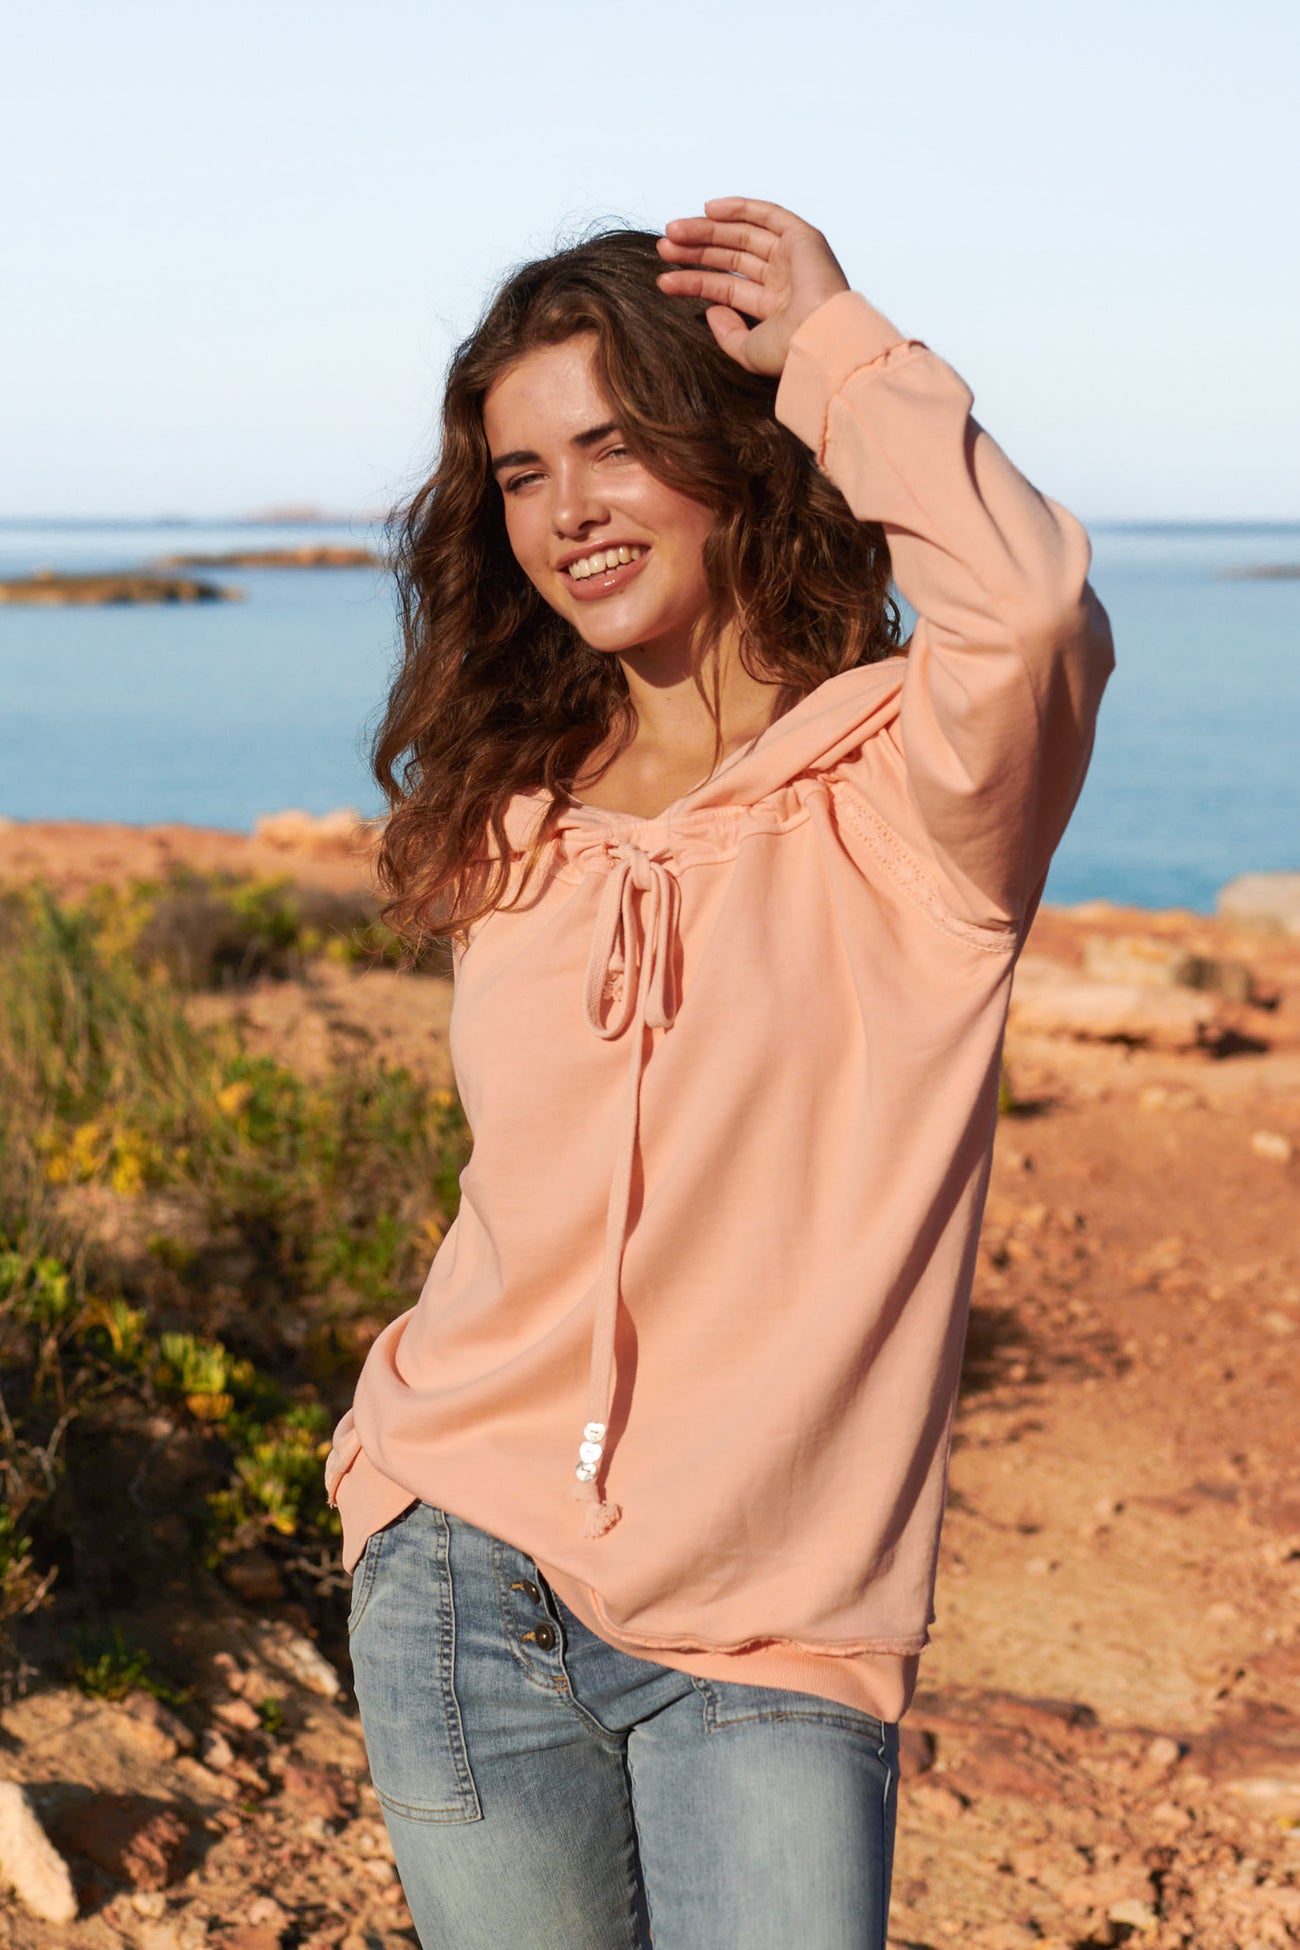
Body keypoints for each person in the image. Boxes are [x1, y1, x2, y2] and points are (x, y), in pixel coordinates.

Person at [325, 196, 1115, 1949]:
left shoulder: (914, 793)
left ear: (732, 452)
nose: (569, 511)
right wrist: (391, 1502)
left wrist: (836, 345)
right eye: (523, 473)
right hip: (460, 1564)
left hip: (774, 1620)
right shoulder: (512, 814)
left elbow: (1032, 608)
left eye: (615, 443)